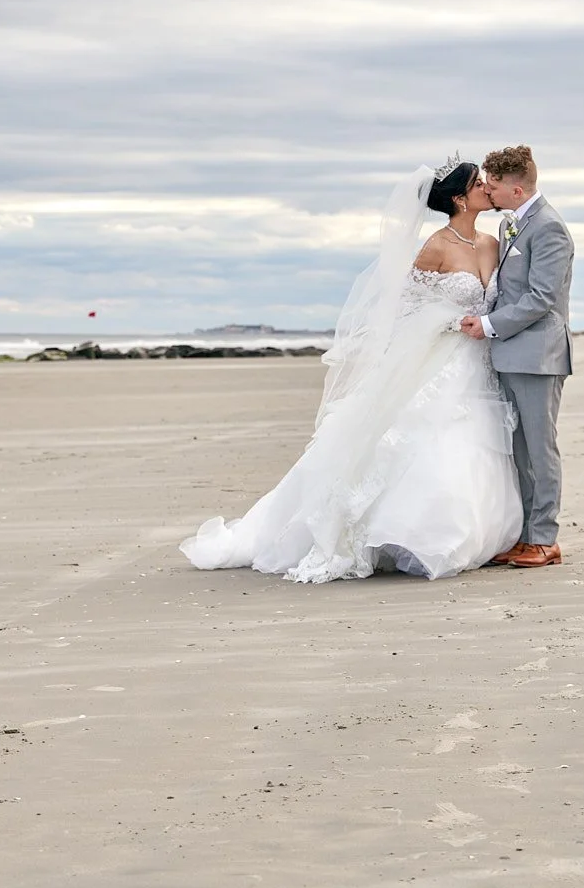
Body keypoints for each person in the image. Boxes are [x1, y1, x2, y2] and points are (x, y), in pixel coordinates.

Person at [179, 160, 522, 582]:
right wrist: (453, 323)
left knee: (475, 443)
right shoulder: (436, 245)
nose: (488, 189)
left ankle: (477, 532)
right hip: (444, 357)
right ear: (458, 198)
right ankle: (412, 535)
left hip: (479, 363)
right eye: (478, 185)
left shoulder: (491, 243)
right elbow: (404, 306)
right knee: (424, 439)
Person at [460, 145, 574, 568]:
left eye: (493, 185)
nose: (488, 191)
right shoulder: (514, 224)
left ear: (517, 188)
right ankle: (526, 535)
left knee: (540, 449)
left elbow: (542, 298)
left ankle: (545, 538)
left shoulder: (549, 229)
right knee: (519, 451)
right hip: (511, 354)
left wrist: (489, 326)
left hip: (538, 356)